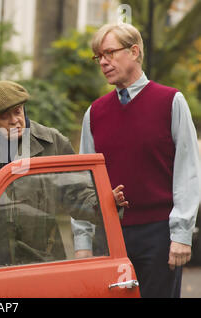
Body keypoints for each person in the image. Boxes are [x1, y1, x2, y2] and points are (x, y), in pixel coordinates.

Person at [0, 58, 128, 243]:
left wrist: (106, 202)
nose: (15, 120)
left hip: (38, 257)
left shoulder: (53, 143)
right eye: (4, 116)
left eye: (18, 111)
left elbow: (76, 193)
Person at [72, 23, 200, 298]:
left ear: (134, 51)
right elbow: (86, 181)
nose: (103, 62)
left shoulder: (171, 102)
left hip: (160, 236)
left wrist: (181, 235)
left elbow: (188, 172)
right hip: (109, 238)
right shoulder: (94, 113)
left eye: (109, 53)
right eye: (98, 57)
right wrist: (82, 240)